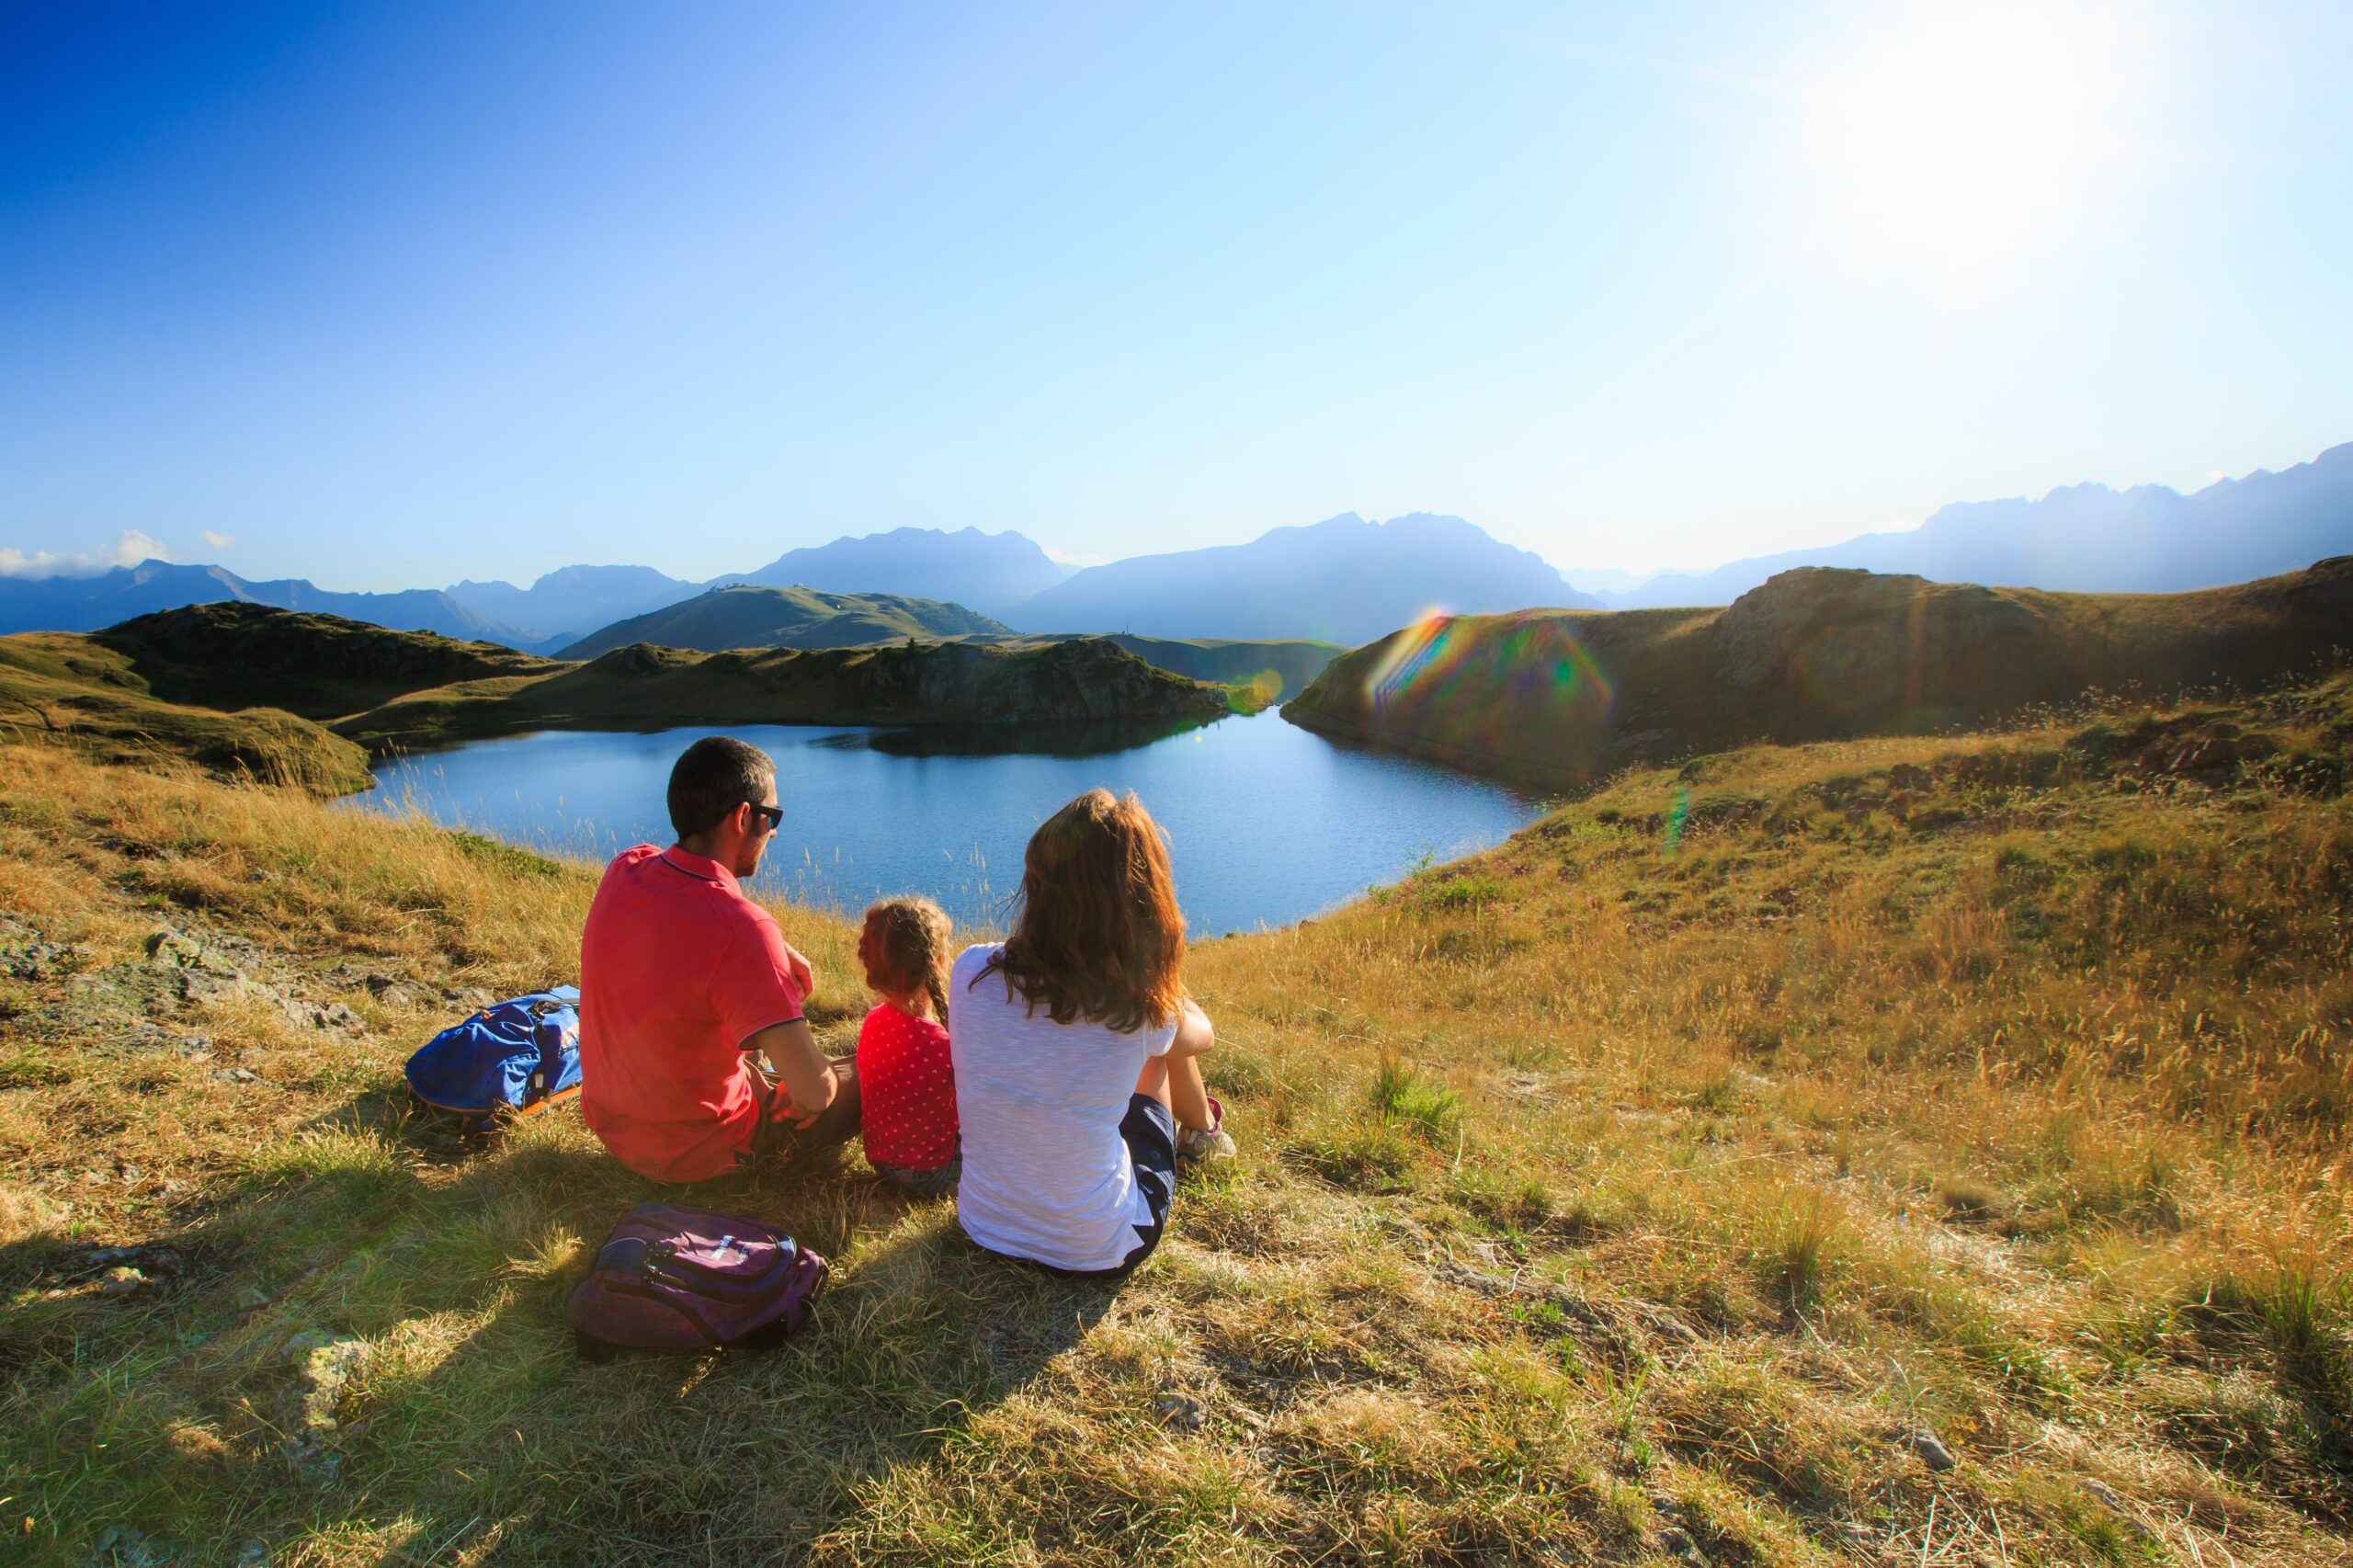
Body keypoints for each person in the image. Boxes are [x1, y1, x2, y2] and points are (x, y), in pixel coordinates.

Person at [949, 788, 1235, 1278]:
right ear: (1141, 903)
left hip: (983, 1227)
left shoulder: (970, 969)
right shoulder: (1133, 1007)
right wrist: (1156, 978)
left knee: (1148, 1034)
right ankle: (1204, 1135)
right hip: (1099, 1249)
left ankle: (1200, 1132)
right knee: (1160, 1043)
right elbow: (1202, 1036)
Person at [577, 735, 857, 1182]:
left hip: (617, 1133)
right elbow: (815, 1094)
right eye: (772, 817)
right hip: (704, 1152)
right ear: (744, 817)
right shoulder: (740, 929)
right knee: (873, 1070)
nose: (774, 832)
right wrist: (805, 1087)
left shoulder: (626, 868)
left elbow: (682, 941)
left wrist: (777, 951)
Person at [853, 896, 961, 1198]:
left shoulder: (874, 1021)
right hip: (930, 1176)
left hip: (880, 1162)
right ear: (938, 962)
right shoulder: (943, 1045)